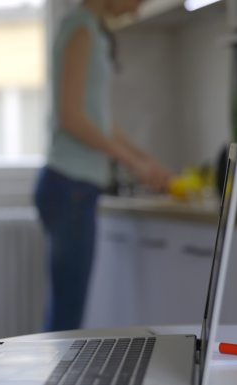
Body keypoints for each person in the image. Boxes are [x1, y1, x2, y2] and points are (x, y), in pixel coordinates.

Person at [34, 0, 174, 332]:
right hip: (70, 186)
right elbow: (71, 118)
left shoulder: (89, 30)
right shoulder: (81, 28)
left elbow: (101, 122)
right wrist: (132, 164)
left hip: (73, 187)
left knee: (67, 309)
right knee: (67, 314)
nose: (138, 9)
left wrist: (145, 161)